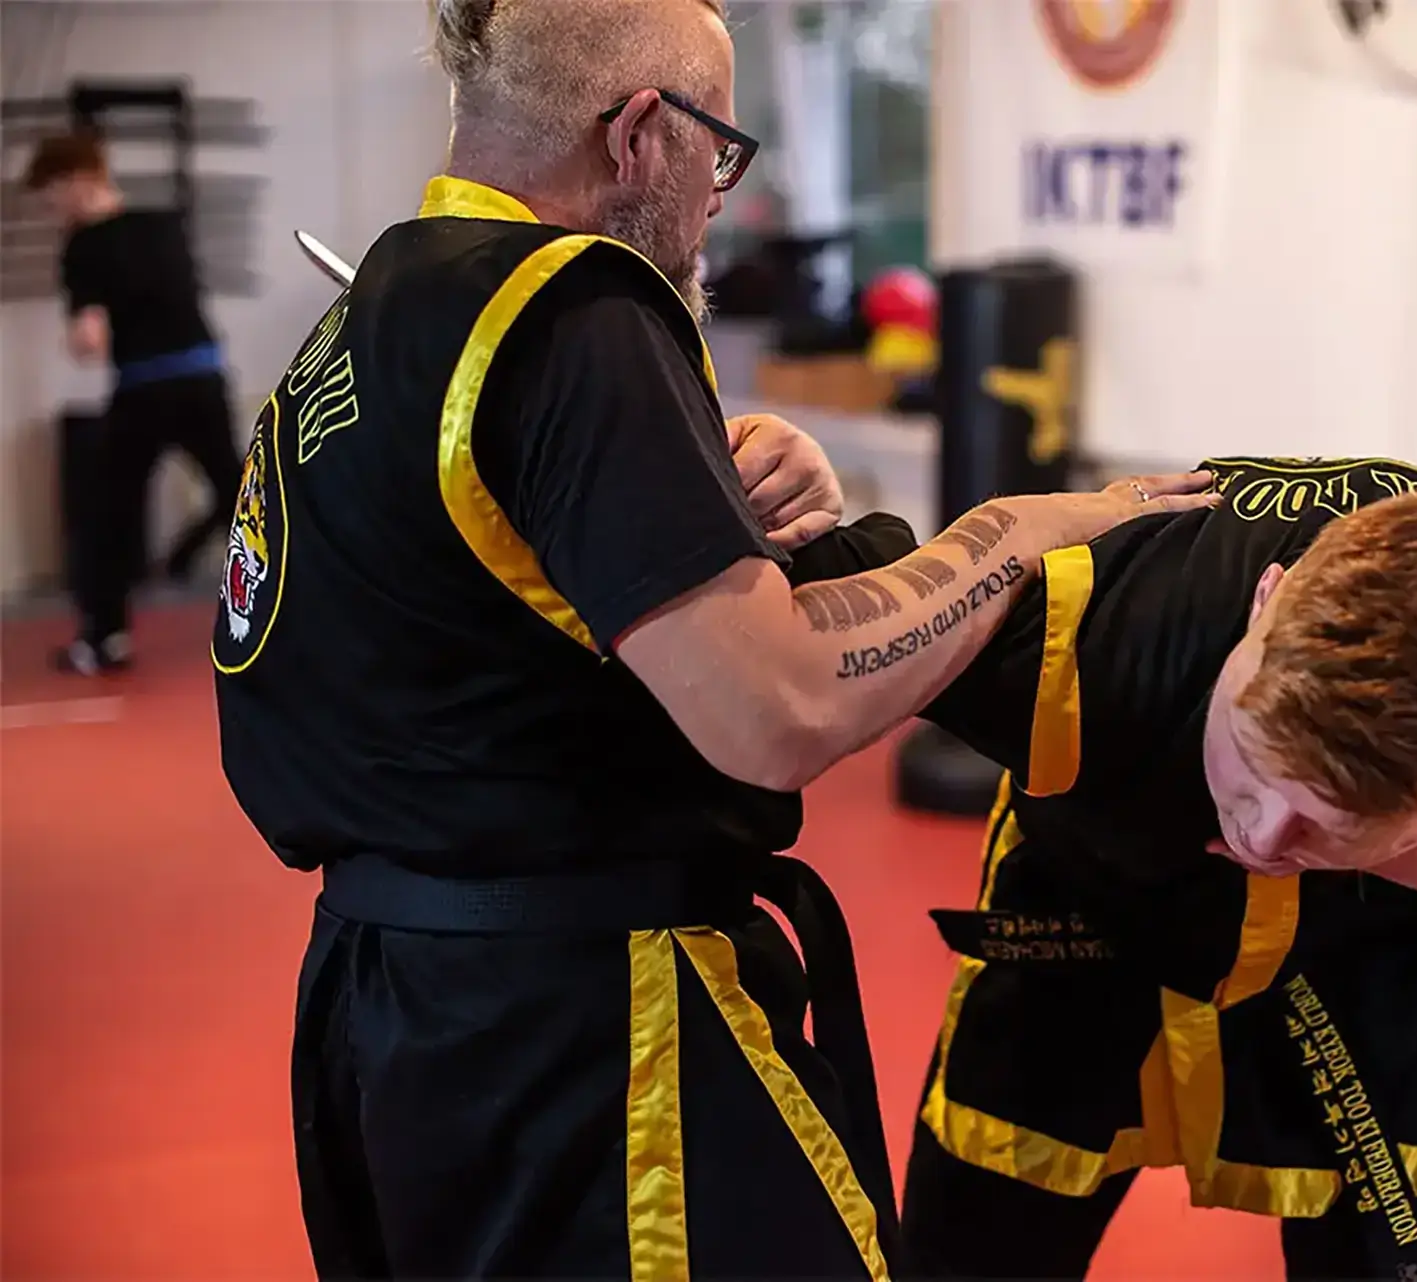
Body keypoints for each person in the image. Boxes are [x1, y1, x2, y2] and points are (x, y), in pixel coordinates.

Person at [208, 0, 1216, 1278]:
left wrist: (694, 502)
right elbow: (773, 709)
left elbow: (478, 602)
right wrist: (1018, 534)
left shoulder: (376, 318)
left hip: (393, 1017)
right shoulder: (577, 308)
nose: (720, 197)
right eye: (718, 151)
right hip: (583, 1032)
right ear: (640, 134)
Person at [875, 455, 1417, 1281]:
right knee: (974, 1242)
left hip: (1375, 945)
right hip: (1095, 900)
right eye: (1257, 770)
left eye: (1333, 826)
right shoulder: (1089, 625)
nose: (1263, 839)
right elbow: (794, 644)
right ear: (1267, 601)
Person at [25, 131, 242, 675]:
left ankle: (104, 638)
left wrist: (74, 339)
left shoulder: (83, 245)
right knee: (244, 499)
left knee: (107, 515)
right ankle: (302, 621)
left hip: (144, 388)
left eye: (51, 196)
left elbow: (91, 337)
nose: (52, 210)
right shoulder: (165, 223)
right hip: (202, 378)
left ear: (76, 180)